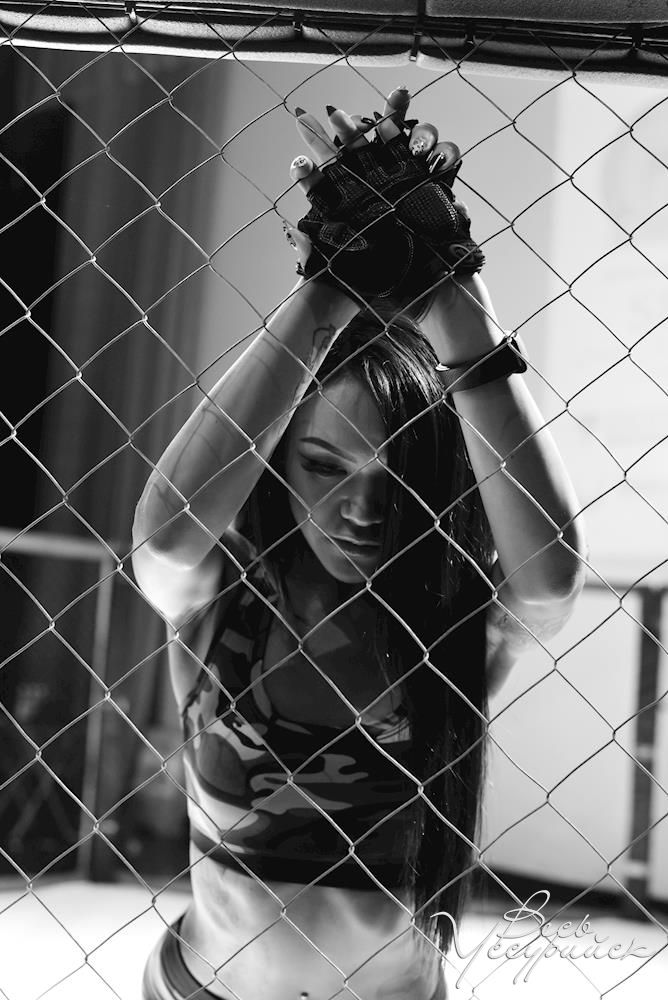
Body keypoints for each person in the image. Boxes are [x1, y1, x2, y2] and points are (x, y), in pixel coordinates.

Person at [133, 86, 588, 1000]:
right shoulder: (225, 604)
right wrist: (324, 289)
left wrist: (457, 292)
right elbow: (166, 540)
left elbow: (548, 584)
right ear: (279, 469)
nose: (362, 509)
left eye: (396, 476)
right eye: (324, 466)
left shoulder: (447, 625)